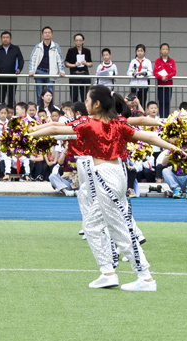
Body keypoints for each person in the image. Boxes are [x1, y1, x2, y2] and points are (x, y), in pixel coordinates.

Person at [29, 84, 177, 291]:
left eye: (88, 101)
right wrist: (174, 148)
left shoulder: (90, 124)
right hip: (110, 176)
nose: (85, 104)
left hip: (108, 177)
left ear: (97, 104)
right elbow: (150, 137)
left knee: (119, 228)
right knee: (91, 224)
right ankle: (107, 272)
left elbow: (54, 129)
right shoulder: (118, 124)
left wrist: (23, 137)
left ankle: (145, 277)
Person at [29, 26, 64, 104]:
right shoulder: (38, 46)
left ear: (51, 34)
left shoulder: (55, 46)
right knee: (39, 94)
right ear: (42, 35)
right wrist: (31, 71)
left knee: (49, 95)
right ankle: (40, 111)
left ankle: (49, 111)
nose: (47, 34)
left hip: (51, 72)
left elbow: (60, 59)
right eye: (45, 33)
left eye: (49, 33)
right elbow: (32, 59)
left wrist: (62, 70)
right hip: (39, 71)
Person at [0, 31, 24, 108]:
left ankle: (11, 113)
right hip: (0, 77)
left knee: (11, 97)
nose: (5, 39)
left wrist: (19, 69)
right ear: (1, 39)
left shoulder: (15, 49)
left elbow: (21, 60)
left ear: (10, 39)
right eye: (3, 38)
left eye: (7, 38)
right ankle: (0, 113)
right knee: (1, 97)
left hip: (12, 77)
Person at [65, 33, 94, 104]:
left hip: (84, 73)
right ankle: (74, 109)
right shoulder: (71, 50)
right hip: (74, 74)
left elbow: (91, 64)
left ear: (83, 41)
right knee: (74, 94)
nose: (78, 42)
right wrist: (74, 65)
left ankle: (85, 110)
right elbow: (66, 63)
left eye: (80, 40)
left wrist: (86, 63)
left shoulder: (87, 51)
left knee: (85, 94)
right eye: (76, 40)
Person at [153, 44, 178, 114]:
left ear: (169, 50)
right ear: (160, 50)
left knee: (167, 102)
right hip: (160, 84)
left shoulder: (172, 61)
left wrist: (167, 77)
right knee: (161, 102)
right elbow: (155, 72)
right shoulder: (158, 61)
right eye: (163, 49)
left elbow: (174, 72)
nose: (165, 51)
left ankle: (166, 118)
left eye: (166, 49)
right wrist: (161, 77)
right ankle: (161, 118)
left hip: (168, 85)